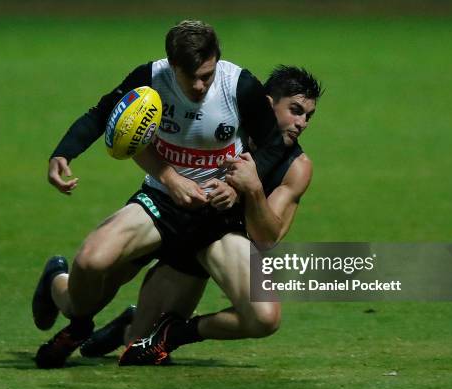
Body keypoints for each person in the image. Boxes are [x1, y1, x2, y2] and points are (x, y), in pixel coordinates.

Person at [33, 20, 288, 369]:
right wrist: (63, 154)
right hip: (160, 204)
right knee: (91, 263)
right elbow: (101, 115)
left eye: (207, 75)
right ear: (172, 65)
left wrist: (233, 186)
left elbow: (274, 146)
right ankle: (64, 299)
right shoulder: (151, 78)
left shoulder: (238, 85)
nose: (200, 86)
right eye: (191, 77)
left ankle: (164, 330)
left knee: (264, 317)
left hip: (216, 220)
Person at [80, 65, 323, 365]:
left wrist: (254, 189)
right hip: (163, 215)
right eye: (295, 110)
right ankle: (62, 292)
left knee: (138, 351)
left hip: (206, 245)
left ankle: (165, 331)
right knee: (96, 280)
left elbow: (267, 238)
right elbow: (145, 140)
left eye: (308, 116)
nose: (302, 123)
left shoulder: (297, 167)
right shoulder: (224, 120)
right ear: (267, 104)